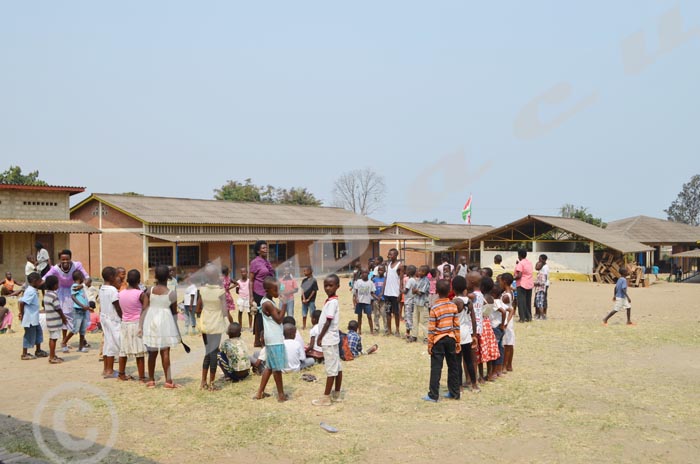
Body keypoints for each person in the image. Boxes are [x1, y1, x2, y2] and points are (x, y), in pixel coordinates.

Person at [140, 265, 182, 388]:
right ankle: (168, 381)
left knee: (152, 353)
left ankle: (151, 380)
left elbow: (144, 308)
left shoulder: (149, 290)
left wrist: (141, 325)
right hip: (165, 321)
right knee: (165, 352)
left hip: (151, 321)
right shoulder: (171, 293)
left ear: (156, 276)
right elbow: (174, 313)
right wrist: (176, 329)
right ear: (168, 277)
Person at [423, 279, 461, 402]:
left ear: (437, 292)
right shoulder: (453, 305)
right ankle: (454, 392)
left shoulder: (434, 307)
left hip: (438, 340)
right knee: (453, 366)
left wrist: (430, 344)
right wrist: (457, 341)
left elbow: (431, 328)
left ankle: (433, 395)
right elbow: (456, 325)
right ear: (449, 291)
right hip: (451, 338)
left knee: (436, 368)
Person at [197, 264, 233, 391]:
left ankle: (203, 382)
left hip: (205, 323)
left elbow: (198, 307)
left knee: (207, 351)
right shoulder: (220, 291)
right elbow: (224, 311)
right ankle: (212, 383)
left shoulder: (202, 290)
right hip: (216, 323)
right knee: (214, 353)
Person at [44, 250, 89, 345]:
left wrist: (82, 285)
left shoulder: (77, 265)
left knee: (80, 316)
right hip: (62, 295)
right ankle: (64, 341)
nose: (65, 261)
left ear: (70, 258)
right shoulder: (55, 269)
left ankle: (82, 340)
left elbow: (88, 278)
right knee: (65, 316)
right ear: (59, 259)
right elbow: (44, 278)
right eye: (62, 259)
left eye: (67, 259)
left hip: (76, 292)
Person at [254, 277, 287, 402]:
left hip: (272, 337)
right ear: (267, 290)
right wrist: (284, 304)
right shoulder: (267, 303)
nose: (278, 291)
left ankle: (259, 393)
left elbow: (278, 314)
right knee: (276, 368)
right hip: (274, 339)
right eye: (275, 289)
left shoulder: (269, 301)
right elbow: (279, 318)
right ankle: (281, 395)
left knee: (269, 366)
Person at [312, 274, 343, 406]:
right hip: (332, 338)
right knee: (337, 366)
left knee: (331, 369)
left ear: (337, 286)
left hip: (328, 339)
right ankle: (336, 393)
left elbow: (328, 322)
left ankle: (326, 398)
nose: (328, 288)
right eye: (326, 285)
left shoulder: (332, 303)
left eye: (331, 285)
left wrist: (319, 337)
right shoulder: (332, 301)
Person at [118, 270, 147, 382]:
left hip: (125, 323)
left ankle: (121, 374)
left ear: (127, 280)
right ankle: (141, 377)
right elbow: (145, 309)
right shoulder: (140, 294)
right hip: (137, 323)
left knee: (123, 350)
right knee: (139, 351)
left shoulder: (120, 294)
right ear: (139, 281)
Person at [452, 275, 479, 392]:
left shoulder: (453, 302)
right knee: (468, 360)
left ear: (453, 289)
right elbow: (473, 319)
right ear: (465, 289)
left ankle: (459, 386)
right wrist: (474, 334)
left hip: (456, 333)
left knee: (457, 360)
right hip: (467, 332)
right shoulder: (469, 301)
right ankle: (474, 384)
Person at [249, 240, 274, 347]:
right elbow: (251, 280)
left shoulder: (267, 262)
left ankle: (260, 339)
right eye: (263, 248)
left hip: (269, 292)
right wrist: (251, 297)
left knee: (266, 315)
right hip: (258, 292)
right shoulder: (254, 263)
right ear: (258, 251)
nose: (266, 250)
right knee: (260, 316)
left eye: (266, 248)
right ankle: (259, 340)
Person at [99, 267, 122, 378]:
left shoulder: (102, 288)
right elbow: (117, 306)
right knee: (114, 343)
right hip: (113, 319)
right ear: (112, 277)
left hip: (104, 318)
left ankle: (106, 369)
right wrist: (123, 317)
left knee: (108, 343)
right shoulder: (112, 290)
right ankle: (110, 370)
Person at [18, 272, 47, 360]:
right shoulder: (31, 291)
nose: (42, 282)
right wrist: (22, 314)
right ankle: (24, 354)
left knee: (38, 333)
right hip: (29, 319)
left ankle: (38, 350)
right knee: (29, 335)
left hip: (34, 318)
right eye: (40, 281)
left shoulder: (33, 290)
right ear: (35, 281)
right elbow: (22, 302)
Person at [62, 270, 92, 353]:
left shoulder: (81, 286)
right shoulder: (74, 286)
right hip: (78, 310)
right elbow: (73, 297)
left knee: (83, 329)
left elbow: (88, 282)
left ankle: (81, 346)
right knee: (75, 329)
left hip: (84, 310)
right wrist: (82, 305)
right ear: (80, 278)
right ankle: (64, 342)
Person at [43, 276, 65, 363]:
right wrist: (63, 318)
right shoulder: (54, 295)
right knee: (54, 339)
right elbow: (58, 308)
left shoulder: (46, 294)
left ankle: (53, 354)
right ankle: (51, 357)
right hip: (55, 321)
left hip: (50, 320)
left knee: (52, 338)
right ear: (54, 285)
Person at [383, 248, 404, 337]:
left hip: (395, 293)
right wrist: (383, 291)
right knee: (388, 312)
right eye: (388, 255)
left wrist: (400, 292)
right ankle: (389, 330)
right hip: (388, 293)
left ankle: (397, 330)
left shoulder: (400, 266)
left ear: (395, 255)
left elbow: (402, 279)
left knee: (396, 313)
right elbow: (386, 278)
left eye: (391, 255)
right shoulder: (388, 265)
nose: (389, 256)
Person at [499, 273, 516, 372]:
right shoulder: (511, 292)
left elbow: (508, 310)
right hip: (509, 321)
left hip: (506, 321)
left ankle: (504, 365)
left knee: (506, 344)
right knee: (510, 342)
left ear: (504, 281)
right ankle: (509, 364)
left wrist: (505, 322)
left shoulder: (505, 296)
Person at [352, 268, 375, 335]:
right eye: (363, 273)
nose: (364, 274)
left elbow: (372, 292)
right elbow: (356, 291)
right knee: (359, 316)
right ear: (361, 274)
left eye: (366, 273)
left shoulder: (370, 283)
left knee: (369, 316)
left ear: (368, 274)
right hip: (360, 302)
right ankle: (359, 330)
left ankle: (371, 330)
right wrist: (356, 298)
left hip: (367, 302)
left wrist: (375, 299)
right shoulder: (358, 282)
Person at [513, 248, 534, 323]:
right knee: (528, 301)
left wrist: (513, 278)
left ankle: (522, 318)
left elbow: (519, 275)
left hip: (522, 284)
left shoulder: (520, 263)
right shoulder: (529, 262)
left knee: (521, 302)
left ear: (519, 255)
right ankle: (528, 317)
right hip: (529, 283)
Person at [413, 265, 431, 343]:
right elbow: (413, 290)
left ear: (424, 272)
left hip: (423, 303)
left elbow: (421, 292)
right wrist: (415, 291)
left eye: (420, 271)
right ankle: (414, 336)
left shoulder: (426, 281)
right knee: (415, 320)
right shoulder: (418, 280)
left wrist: (415, 291)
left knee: (424, 321)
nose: (418, 272)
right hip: (416, 302)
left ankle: (426, 337)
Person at [300, 266, 318, 330]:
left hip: (311, 300)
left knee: (312, 313)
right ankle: (304, 326)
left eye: (305, 271)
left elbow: (314, 291)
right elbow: (302, 290)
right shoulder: (304, 280)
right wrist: (304, 298)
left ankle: (314, 326)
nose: (304, 272)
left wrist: (308, 299)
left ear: (310, 271)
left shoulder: (314, 281)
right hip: (304, 300)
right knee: (304, 313)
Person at [403, 265, 418, 341]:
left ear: (409, 272)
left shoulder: (410, 280)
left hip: (409, 301)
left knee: (408, 317)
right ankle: (408, 332)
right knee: (409, 316)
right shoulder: (414, 280)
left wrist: (400, 290)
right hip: (412, 300)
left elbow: (406, 290)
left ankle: (411, 334)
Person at [371, 265, 387, 335]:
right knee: (376, 315)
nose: (380, 271)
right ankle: (376, 328)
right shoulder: (374, 279)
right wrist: (376, 297)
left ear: (384, 271)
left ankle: (386, 329)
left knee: (384, 314)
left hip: (384, 300)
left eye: (382, 270)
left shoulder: (386, 279)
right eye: (379, 270)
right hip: (376, 300)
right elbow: (371, 291)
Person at [535, 254, 550, 319]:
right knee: (538, 299)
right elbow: (536, 268)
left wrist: (540, 284)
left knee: (542, 300)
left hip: (543, 286)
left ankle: (543, 313)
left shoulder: (545, 267)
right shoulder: (541, 266)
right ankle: (537, 313)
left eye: (540, 259)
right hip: (540, 285)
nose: (539, 260)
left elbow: (545, 278)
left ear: (544, 260)